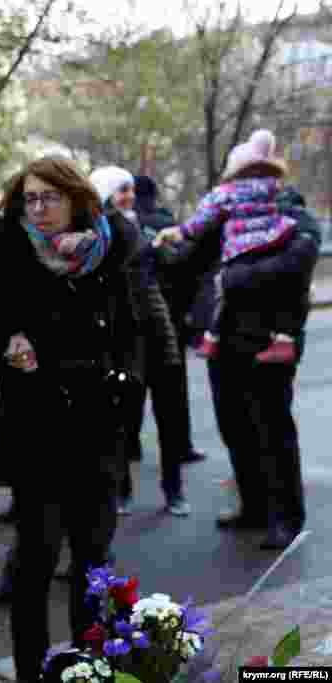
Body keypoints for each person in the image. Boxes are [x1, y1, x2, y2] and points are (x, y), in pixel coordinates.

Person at [0, 156, 143, 683]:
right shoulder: (9, 250)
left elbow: (130, 330)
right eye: (29, 198)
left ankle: (89, 666)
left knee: (94, 556)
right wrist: (10, 346)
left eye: (49, 197)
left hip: (99, 424)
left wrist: (125, 380)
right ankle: (32, 668)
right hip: (38, 425)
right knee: (38, 556)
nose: (39, 208)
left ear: (76, 199)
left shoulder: (108, 251)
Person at [174, 166, 320, 550]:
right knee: (234, 427)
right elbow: (190, 262)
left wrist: (237, 276)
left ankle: (286, 518)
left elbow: (298, 262)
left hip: (265, 336)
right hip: (222, 339)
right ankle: (254, 505)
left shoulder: (288, 210)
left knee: (272, 432)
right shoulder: (220, 215)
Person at [90, 165, 189, 517]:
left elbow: (176, 263)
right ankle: (121, 491)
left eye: (131, 189)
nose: (129, 196)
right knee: (124, 420)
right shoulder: (103, 232)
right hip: (124, 339)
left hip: (158, 331)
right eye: (121, 190)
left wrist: (162, 247)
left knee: (170, 418)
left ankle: (174, 490)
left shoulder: (146, 229)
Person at [155, 129, 302, 364]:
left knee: (223, 288)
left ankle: (213, 336)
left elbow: (200, 222)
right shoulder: (275, 188)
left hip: (240, 246)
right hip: (275, 237)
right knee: (280, 291)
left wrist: (179, 232)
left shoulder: (226, 193)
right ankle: (284, 338)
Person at [133, 175, 208, 466]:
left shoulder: (123, 224)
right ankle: (180, 446)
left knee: (133, 385)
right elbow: (185, 267)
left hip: (136, 316)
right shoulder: (165, 222)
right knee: (173, 391)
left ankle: (130, 447)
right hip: (169, 315)